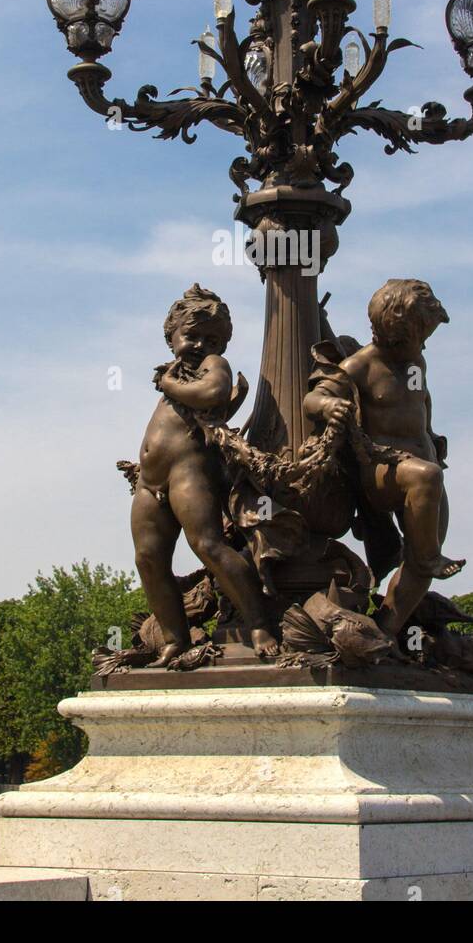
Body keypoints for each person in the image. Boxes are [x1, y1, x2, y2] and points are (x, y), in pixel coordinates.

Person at [303, 278, 464, 637]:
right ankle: (428, 557)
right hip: (383, 471)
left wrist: (432, 435)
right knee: (427, 530)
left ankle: (386, 631)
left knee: (420, 563)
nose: (422, 344)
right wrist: (330, 404)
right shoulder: (361, 365)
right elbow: (312, 400)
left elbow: (419, 400)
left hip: (424, 470)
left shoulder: (414, 361)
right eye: (417, 337)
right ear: (391, 333)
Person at [131, 284, 280, 665]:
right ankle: (174, 638)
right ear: (171, 336)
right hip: (150, 481)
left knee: (209, 545)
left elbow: (214, 393)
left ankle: (259, 623)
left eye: (211, 339)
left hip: (190, 472)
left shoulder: (212, 368)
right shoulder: (180, 370)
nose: (200, 345)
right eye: (191, 336)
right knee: (148, 558)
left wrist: (167, 383)